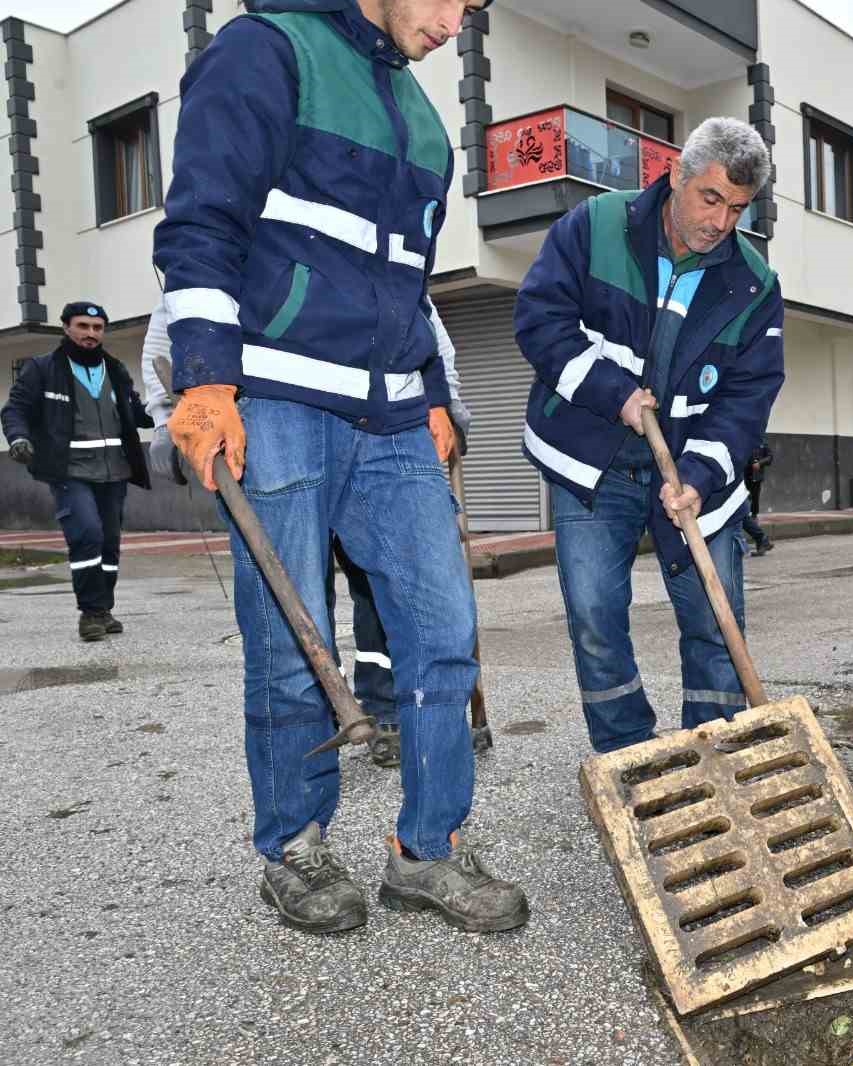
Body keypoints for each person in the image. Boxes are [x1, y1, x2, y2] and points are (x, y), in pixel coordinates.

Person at [152, 0, 526, 936]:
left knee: (443, 629)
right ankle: (295, 847)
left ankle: (427, 850)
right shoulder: (266, 53)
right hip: (272, 399)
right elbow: (201, 225)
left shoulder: (427, 121)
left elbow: (409, 282)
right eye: (449, 1)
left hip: (392, 411)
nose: (455, 23)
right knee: (291, 639)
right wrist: (204, 379)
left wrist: (436, 389)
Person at [515, 117, 783, 754]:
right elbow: (541, 319)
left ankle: (714, 760)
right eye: (710, 198)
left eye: (737, 209)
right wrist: (614, 395)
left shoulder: (753, 283)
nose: (720, 222)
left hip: (691, 476)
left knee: (716, 627)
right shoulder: (595, 227)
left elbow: (748, 398)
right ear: (675, 177)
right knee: (595, 621)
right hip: (594, 465)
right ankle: (632, 759)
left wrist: (700, 475)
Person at [141, 297, 474, 770]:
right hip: (273, 436)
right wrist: (163, 419)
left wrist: (448, 404)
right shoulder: (234, 246)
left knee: (381, 589)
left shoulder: (385, 249)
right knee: (299, 597)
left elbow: (428, 332)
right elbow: (177, 325)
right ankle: (320, 719)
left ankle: (384, 710)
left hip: (374, 435)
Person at [3, 301, 154, 643]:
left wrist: (170, 414)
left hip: (114, 472)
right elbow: (15, 410)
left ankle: (104, 609)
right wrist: (19, 438)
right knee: (87, 534)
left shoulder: (114, 369)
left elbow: (135, 413)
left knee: (111, 545)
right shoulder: (44, 369)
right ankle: (90, 612)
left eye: (97, 328)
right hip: (70, 472)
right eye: (83, 326)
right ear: (66, 328)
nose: (90, 333)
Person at [741, 437, 775, 556]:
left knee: (746, 512)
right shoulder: (744, 439)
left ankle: (760, 540)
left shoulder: (761, 442)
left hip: (754, 479)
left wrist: (759, 463)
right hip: (743, 479)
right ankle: (761, 540)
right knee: (742, 513)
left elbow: (770, 458)